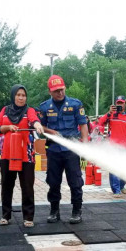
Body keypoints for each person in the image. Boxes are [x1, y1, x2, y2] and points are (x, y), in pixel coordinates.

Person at [0, 84, 44, 227]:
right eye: (18, 95)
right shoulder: (5, 110)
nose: (21, 98)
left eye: (23, 95)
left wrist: (37, 124)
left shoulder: (29, 110)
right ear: (13, 95)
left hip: (26, 154)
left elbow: (34, 119)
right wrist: (8, 127)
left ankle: (28, 217)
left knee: (27, 186)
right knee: (6, 186)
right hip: (7, 154)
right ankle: (5, 215)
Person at [39, 75, 88, 224]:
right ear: (50, 92)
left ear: (65, 88)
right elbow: (39, 129)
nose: (59, 93)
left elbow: (83, 124)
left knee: (75, 182)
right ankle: (54, 211)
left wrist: (84, 145)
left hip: (71, 149)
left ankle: (76, 211)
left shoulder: (75, 104)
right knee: (53, 182)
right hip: (53, 149)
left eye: (61, 90)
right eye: (55, 91)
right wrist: (51, 131)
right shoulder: (44, 107)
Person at [98, 95, 126, 198]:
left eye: (121, 103)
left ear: (125, 104)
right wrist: (109, 112)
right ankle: (116, 190)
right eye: (118, 103)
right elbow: (101, 122)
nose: (120, 105)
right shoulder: (112, 115)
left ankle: (122, 185)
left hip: (125, 147)